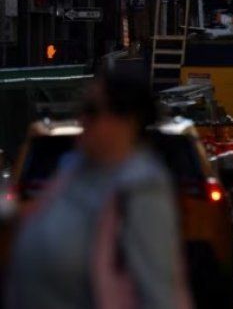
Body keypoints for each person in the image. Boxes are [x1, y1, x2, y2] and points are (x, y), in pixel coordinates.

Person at [6, 68, 192, 309]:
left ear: (127, 120)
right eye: (81, 109)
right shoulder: (74, 169)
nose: (82, 120)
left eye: (92, 110)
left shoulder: (141, 189)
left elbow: (161, 293)